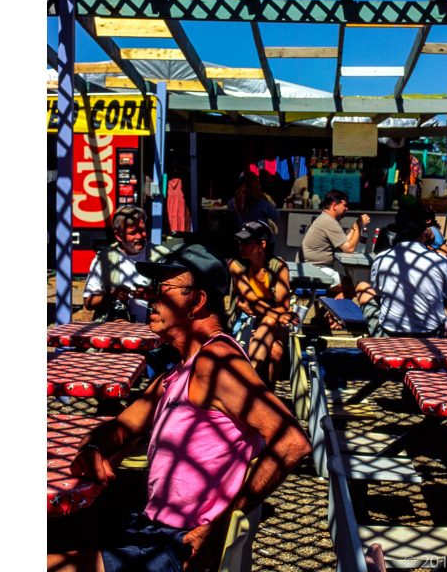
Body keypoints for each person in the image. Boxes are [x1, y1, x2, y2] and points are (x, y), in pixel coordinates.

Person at [50, 243, 311, 572]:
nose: (150, 298)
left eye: (162, 289)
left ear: (198, 301)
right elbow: (122, 426)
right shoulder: (179, 371)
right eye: (151, 288)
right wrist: (95, 446)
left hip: (180, 544)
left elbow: (292, 442)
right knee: (66, 531)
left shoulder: (216, 362)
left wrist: (223, 524)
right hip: (155, 529)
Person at [353, 206, 447, 337]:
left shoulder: (382, 258)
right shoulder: (439, 260)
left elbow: (378, 292)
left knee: (362, 288)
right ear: (424, 232)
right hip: (432, 334)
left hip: (390, 334)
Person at [227, 220, 294, 387]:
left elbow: (283, 306)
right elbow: (251, 298)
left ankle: (254, 387)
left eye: (246, 242)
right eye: (239, 241)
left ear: (262, 244)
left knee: (276, 350)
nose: (241, 246)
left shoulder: (278, 267)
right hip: (243, 323)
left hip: (272, 323)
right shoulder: (236, 265)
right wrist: (274, 313)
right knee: (275, 345)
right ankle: (263, 394)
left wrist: (260, 311)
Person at [83, 205, 151, 322]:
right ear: (119, 236)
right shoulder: (103, 260)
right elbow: (88, 303)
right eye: (133, 232)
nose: (139, 236)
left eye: (142, 230)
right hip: (114, 330)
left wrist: (152, 294)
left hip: (152, 330)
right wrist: (112, 295)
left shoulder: (160, 256)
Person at [300, 190, 370, 290]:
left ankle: (329, 305)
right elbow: (348, 248)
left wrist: (354, 228)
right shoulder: (329, 222)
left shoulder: (326, 219)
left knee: (348, 284)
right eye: (344, 205)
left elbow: (343, 243)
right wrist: (359, 226)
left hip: (311, 268)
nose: (347, 208)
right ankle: (331, 305)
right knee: (351, 286)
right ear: (334, 206)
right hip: (314, 270)